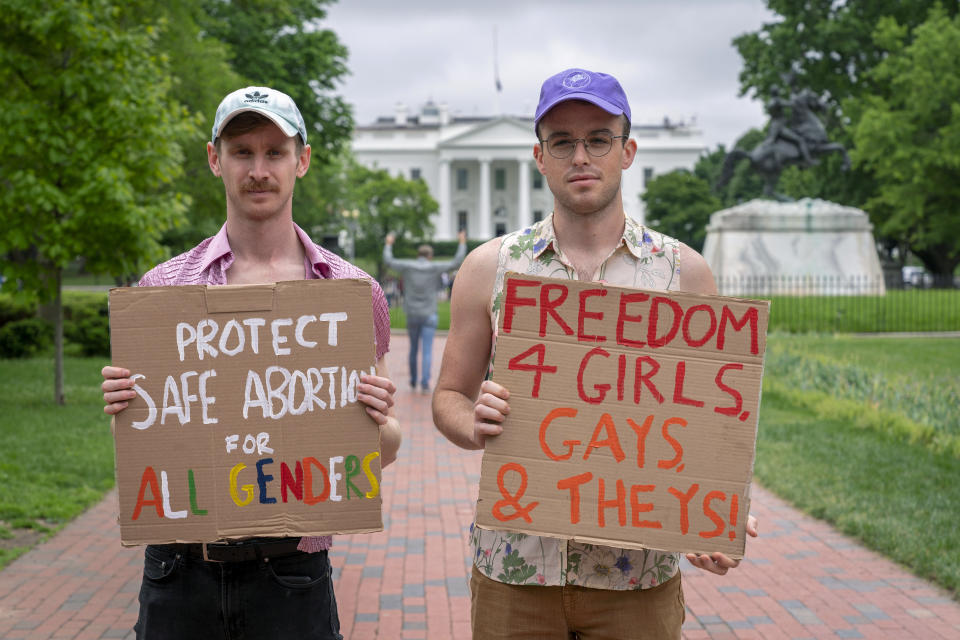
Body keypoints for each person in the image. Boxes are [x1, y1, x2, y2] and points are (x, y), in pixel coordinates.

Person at [431, 68, 758, 640]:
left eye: (598, 139)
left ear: (627, 151)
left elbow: (711, 425)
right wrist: (473, 422)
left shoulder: (683, 272)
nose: (580, 155)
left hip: (636, 578)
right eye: (562, 141)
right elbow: (448, 397)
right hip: (516, 568)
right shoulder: (490, 267)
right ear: (540, 156)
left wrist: (716, 513)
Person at [100, 86, 401, 640]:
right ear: (215, 159)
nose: (258, 169)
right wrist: (125, 408)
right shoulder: (164, 290)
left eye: (274, 152)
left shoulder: (350, 293)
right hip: (180, 570)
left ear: (301, 160)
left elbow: (382, 450)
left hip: (292, 575)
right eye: (242, 151)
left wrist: (376, 421)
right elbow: (154, 439)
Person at [383, 229, 466, 392]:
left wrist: (388, 244)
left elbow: (388, 260)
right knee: (427, 350)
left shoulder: (408, 266)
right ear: (430, 256)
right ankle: (425, 382)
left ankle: (413, 379)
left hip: (412, 313)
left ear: (418, 255)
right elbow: (456, 262)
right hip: (429, 313)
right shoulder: (434, 267)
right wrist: (462, 242)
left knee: (413, 349)